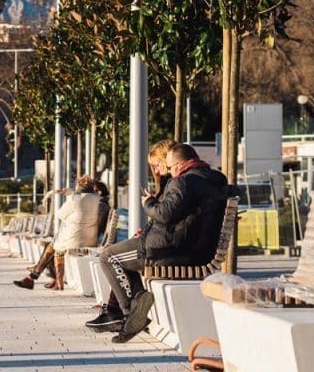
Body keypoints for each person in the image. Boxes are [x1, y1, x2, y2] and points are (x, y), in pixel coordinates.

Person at [88, 143, 229, 344]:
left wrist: (149, 203)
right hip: (199, 252)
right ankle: (134, 307)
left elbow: (165, 214)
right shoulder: (216, 180)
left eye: (169, 167)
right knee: (122, 254)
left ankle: (130, 315)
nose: (169, 172)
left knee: (108, 257)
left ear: (180, 164)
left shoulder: (184, 181)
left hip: (169, 252)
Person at [13, 176, 105, 290]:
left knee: (54, 246)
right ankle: (36, 276)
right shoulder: (97, 199)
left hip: (74, 239)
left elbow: (61, 214)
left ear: (78, 186)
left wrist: (70, 197)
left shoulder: (74, 199)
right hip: (90, 238)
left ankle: (45, 278)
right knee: (53, 243)